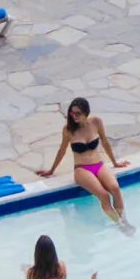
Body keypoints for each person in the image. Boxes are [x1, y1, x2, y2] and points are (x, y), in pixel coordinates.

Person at [38, 96, 131, 227]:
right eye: (72, 113)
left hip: (98, 164)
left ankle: (124, 220)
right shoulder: (68, 129)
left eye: (77, 113)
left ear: (86, 113)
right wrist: (51, 170)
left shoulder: (96, 122)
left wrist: (115, 163)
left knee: (115, 188)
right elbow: (62, 150)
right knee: (104, 195)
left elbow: (105, 142)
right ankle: (119, 225)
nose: (74, 116)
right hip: (82, 168)